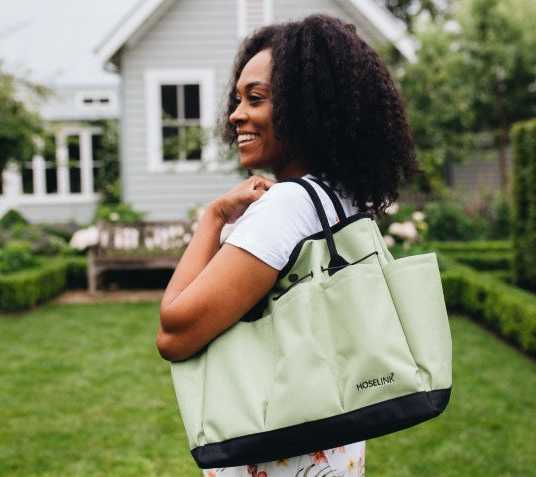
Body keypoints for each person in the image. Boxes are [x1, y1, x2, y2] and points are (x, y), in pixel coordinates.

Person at [157, 14, 418, 476]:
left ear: (305, 109)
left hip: (276, 448)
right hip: (331, 439)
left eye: (254, 99)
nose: (235, 114)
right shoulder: (340, 196)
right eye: (236, 99)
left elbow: (174, 333)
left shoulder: (285, 207)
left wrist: (213, 217)